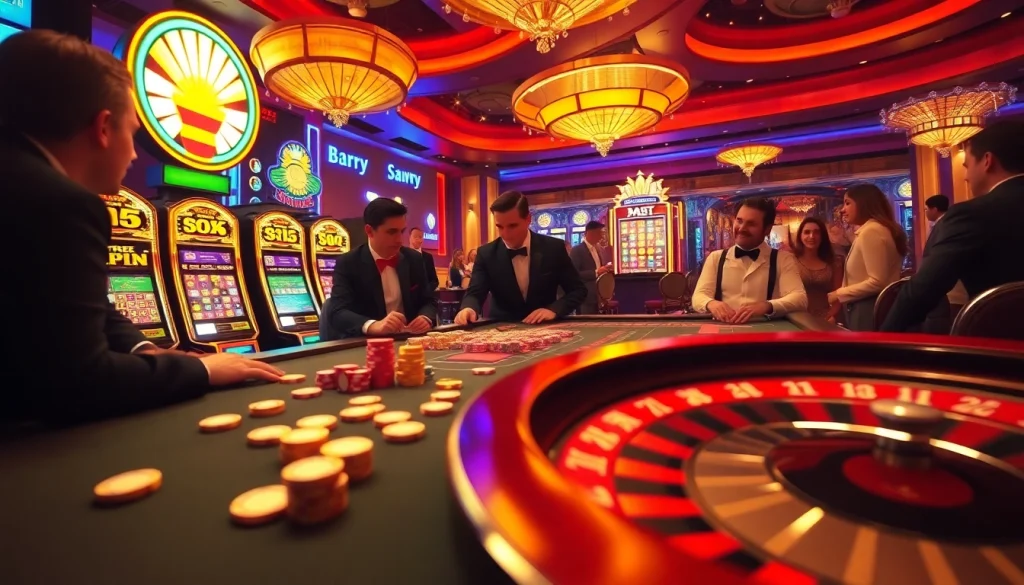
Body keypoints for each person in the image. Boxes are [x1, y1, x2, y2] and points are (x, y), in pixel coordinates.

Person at [0, 30, 283, 425]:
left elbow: (82, 309)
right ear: (102, 128)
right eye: (132, 132)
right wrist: (203, 371)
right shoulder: (56, 202)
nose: (134, 153)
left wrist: (145, 349)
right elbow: (78, 382)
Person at [881, 121, 1024, 332]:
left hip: (1002, 347)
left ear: (987, 161)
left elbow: (922, 291)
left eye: (966, 165)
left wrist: (883, 341)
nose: (965, 176)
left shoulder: (972, 214)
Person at [454, 191, 586, 325]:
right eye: (500, 226)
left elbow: (578, 290)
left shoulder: (553, 248)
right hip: (502, 330)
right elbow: (475, 294)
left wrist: (554, 310)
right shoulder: (486, 253)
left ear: (528, 219)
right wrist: (468, 308)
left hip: (545, 329)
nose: (505, 234)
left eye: (512, 226)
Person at [326, 197, 437, 338]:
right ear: (369, 231)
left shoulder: (413, 258)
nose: (399, 240)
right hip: (367, 344)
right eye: (391, 232)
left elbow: (429, 300)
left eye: (401, 231)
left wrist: (425, 317)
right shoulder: (348, 263)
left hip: (409, 340)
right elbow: (337, 312)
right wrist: (373, 325)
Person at [692, 198, 807, 323]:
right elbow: (698, 297)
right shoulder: (715, 258)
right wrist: (711, 303)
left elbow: (800, 299)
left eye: (751, 224)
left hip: (765, 335)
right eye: (739, 221)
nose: (742, 228)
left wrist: (767, 306)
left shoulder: (783, 259)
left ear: (767, 229)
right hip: (723, 333)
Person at [827, 184, 906, 331]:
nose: (843, 210)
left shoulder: (872, 231)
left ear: (864, 203)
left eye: (848, 203)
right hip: (870, 306)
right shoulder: (874, 229)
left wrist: (838, 293)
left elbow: (877, 282)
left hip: (867, 307)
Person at [790, 217, 843, 322]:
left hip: (826, 318)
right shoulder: (791, 260)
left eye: (816, 232)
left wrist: (832, 315)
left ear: (822, 236)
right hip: (797, 317)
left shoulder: (834, 262)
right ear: (800, 236)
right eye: (807, 232)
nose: (811, 236)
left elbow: (838, 295)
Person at [570, 220, 612, 315]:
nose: (601, 236)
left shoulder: (598, 249)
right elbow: (574, 274)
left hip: (598, 296)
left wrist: (605, 269)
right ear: (590, 233)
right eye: (599, 233)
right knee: (586, 324)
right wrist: (596, 272)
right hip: (586, 297)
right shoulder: (577, 250)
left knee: (598, 326)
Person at [408, 227, 439, 291]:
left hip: (424, 297)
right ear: (410, 238)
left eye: (420, 237)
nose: (418, 239)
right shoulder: (403, 256)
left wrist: (427, 291)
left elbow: (434, 281)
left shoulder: (428, 257)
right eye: (415, 236)